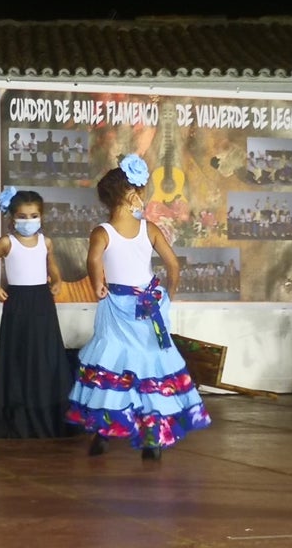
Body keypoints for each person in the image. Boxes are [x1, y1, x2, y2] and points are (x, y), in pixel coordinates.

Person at [65, 154, 211, 459]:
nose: (142, 198)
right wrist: (166, 296)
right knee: (149, 370)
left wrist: (97, 284)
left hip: (117, 304)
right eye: (140, 193)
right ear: (132, 195)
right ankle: (152, 439)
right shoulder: (150, 228)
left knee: (113, 367)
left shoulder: (102, 231)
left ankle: (104, 429)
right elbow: (173, 265)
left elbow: (93, 260)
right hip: (147, 305)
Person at [0, 187, 77, 438]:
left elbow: (52, 267)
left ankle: (47, 413)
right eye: (23, 216)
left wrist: (56, 281)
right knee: (18, 354)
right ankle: (18, 413)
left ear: (41, 216)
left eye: (34, 216)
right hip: (17, 302)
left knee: (44, 354)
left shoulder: (46, 242)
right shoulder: (6, 243)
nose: (29, 221)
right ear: (12, 217)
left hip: (42, 301)